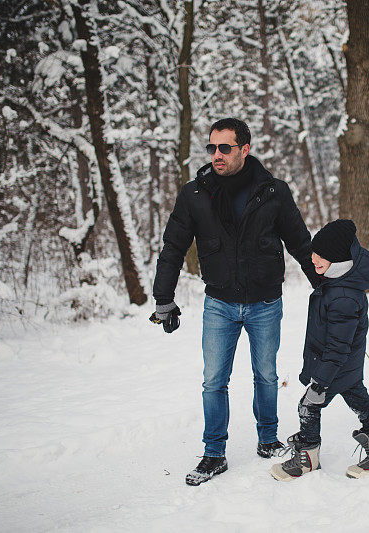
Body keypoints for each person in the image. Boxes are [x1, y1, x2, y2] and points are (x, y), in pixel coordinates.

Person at [150, 118, 321, 486]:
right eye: (211, 148)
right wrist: (164, 297)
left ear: (245, 149)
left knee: (266, 375)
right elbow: (173, 247)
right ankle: (213, 454)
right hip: (219, 304)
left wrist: (324, 287)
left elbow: (299, 242)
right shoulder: (195, 194)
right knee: (213, 381)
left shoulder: (273, 192)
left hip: (264, 303)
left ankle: (267, 440)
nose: (216, 155)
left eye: (224, 148)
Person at [271, 219, 369, 480]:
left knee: (308, 405)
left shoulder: (343, 297)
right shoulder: (337, 282)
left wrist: (320, 382)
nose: (314, 259)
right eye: (315, 252)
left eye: (322, 256)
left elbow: (338, 346)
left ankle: (307, 458)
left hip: (336, 367)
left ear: (339, 261)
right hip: (344, 367)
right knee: (359, 400)